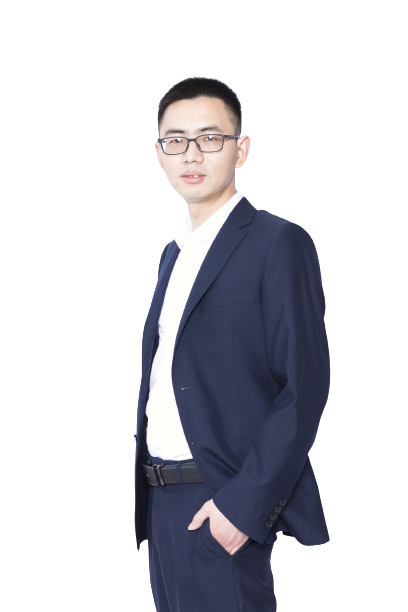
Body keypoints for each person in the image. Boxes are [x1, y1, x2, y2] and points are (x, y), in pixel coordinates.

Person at [134, 76, 330, 611]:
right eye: (176, 140)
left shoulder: (277, 241)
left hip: (223, 499)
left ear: (241, 149)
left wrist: (242, 508)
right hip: (161, 503)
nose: (191, 154)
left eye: (209, 138)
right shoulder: (173, 254)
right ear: (159, 153)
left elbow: (304, 386)